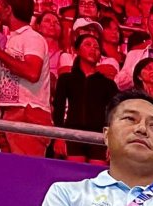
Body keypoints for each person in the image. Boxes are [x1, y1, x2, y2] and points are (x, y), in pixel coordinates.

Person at [0, 0, 51, 156]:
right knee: (11, 175)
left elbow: (32, 72)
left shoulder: (32, 37)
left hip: (27, 113)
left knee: (26, 174)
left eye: (1, 6)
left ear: (8, 9)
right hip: (9, 112)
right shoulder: (13, 38)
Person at [50, 28, 116, 162]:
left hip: (99, 136)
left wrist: (111, 141)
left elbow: (113, 114)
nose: (93, 49)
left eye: (96, 47)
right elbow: (59, 109)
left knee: (96, 179)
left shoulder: (108, 84)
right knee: (75, 177)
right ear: (77, 50)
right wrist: (59, 137)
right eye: (88, 45)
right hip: (73, 133)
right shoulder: (66, 79)